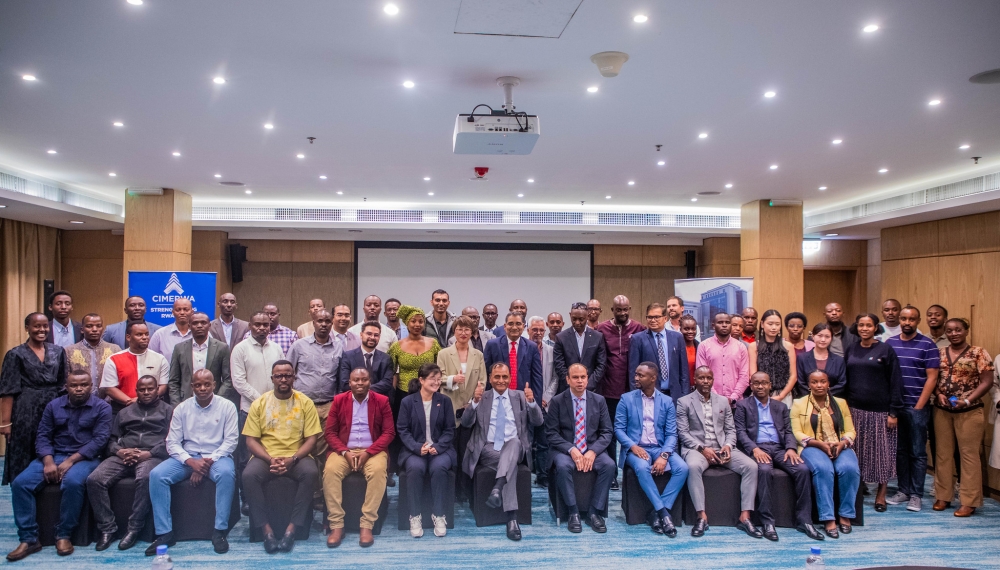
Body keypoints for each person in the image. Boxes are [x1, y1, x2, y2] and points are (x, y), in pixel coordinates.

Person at [7, 370, 112, 561]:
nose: (79, 389)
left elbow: (100, 440)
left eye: (84, 385)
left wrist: (70, 461)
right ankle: (29, 539)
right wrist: (48, 461)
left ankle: (63, 534)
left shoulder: (102, 407)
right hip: (54, 455)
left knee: (73, 483)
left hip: (85, 457)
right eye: (74, 385)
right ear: (66, 386)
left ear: (91, 386)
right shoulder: (53, 405)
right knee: (20, 484)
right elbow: (43, 435)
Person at [147, 369, 239, 555]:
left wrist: (206, 463)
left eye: (207, 384)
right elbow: (172, 443)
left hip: (216, 457)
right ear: (192, 387)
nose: (202, 388)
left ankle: (219, 531)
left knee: (227, 474)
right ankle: (165, 533)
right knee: (157, 475)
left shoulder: (227, 406)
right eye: (198, 385)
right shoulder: (182, 408)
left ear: (214, 385)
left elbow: (231, 441)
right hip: (187, 457)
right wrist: (190, 462)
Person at [242, 361, 321, 553]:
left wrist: (293, 459)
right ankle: (266, 530)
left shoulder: (305, 402)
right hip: (266, 457)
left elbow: (312, 439)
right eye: (279, 376)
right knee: (248, 476)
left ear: (294, 378)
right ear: (272, 379)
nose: (283, 379)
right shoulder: (260, 403)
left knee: (311, 473)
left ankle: (292, 529)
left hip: (297, 456)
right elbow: (251, 440)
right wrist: (270, 459)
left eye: (287, 375)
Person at [87, 375, 172, 551]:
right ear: (136, 391)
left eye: (150, 389)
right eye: (142, 389)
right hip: (124, 454)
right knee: (94, 479)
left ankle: (134, 528)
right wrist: (119, 451)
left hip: (151, 455)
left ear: (157, 390)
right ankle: (107, 528)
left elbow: (172, 440)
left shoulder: (168, 411)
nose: (146, 392)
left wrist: (149, 453)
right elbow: (111, 439)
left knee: (146, 478)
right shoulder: (125, 412)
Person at [735, 371, 821, 541]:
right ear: (751, 386)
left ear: (770, 385)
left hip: (780, 448)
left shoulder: (780, 407)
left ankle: (804, 520)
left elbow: (788, 431)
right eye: (756, 383)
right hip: (758, 448)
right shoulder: (743, 405)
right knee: (764, 470)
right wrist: (754, 449)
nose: (760, 386)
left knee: (802, 470)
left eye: (764, 383)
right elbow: (741, 432)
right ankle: (767, 522)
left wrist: (791, 448)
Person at [462, 363, 544, 541]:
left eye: (505, 377)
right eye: (497, 377)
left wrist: (532, 403)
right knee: (510, 464)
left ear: (510, 378)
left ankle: (499, 491)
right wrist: (474, 403)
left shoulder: (520, 396)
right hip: (488, 449)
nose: (501, 380)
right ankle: (511, 518)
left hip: (515, 447)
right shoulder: (481, 397)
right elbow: (466, 423)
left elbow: (538, 422)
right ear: (490, 378)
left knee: (513, 443)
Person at [676, 366, 760, 538]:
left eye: (709, 378)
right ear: (695, 380)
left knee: (751, 466)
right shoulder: (683, 402)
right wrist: (702, 449)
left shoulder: (722, 401)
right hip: (697, 449)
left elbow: (730, 430)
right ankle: (701, 517)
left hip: (721, 448)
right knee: (692, 467)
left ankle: (745, 517)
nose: (705, 381)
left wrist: (728, 445)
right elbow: (683, 433)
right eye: (701, 378)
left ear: (713, 380)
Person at [323, 368, 394, 548]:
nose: (360, 383)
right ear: (349, 382)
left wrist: (369, 452)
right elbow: (330, 433)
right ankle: (336, 525)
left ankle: (367, 525)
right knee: (330, 471)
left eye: (364, 379)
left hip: (373, 451)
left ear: (370, 382)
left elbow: (389, 432)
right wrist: (344, 452)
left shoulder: (382, 401)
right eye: (356, 380)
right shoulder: (339, 401)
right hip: (344, 450)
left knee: (378, 471)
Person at [614, 362, 688, 537]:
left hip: (660, 447)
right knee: (642, 467)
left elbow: (672, 433)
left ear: (653, 378)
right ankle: (664, 514)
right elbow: (618, 429)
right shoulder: (626, 399)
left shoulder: (667, 401)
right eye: (636, 374)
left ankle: (657, 512)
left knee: (683, 468)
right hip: (636, 448)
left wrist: (664, 455)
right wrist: (633, 446)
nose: (636, 378)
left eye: (641, 375)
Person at [932, 318, 993, 517]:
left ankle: (969, 501)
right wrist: (938, 394)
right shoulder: (939, 353)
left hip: (970, 411)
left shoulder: (978, 352)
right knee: (942, 454)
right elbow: (932, 378)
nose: (954, 334)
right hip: (942, 410)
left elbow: (987, 381)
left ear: (966, 331)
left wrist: (967, 400)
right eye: (949, 331)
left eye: (958, 330)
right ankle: (943, 496)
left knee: (969, 456)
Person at [841, 312, 902, 512]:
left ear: (876, 327)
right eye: (861, 325)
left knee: (882, 454)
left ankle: (881, 495)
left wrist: (893, 412)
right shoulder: (851, 349)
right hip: (854, 411)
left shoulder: (885, 349)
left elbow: (895, 382)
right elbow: (845, 379)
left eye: (868, 325)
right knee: (856, 453)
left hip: (880, 412)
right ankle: (857, 492)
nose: (864, 329)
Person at [545, 363, 615, 533]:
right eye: (575, 377)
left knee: (609, 465)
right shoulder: (557, 401)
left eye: (583, 377)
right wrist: (571, 449)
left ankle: (594, 512)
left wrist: (593, 451)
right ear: (567, 379)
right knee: (563, 466)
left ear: (587, 379)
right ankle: (573, 512)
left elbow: (607, 432)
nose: (580, 381)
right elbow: (551, 433)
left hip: (592, 448)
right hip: (566, 449)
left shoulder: (599, 400)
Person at [884, 306, 940, 512]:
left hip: (917, 406)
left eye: (911, 319)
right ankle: (903, 490)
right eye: (904, 319)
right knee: (900, 451)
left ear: (918, 321)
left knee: (917, 452)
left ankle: (916, 494)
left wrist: (918, 407)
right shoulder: (890, 343)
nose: (907, 322)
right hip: (896, 407)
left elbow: (932, 378)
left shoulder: (928, 345)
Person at [792, 370, 860, 538]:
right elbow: (796, 432)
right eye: (814, 382)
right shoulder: (799, 403)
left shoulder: (840, 403)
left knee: (850, 469)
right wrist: (819, 444)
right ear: (809, 385)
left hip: (839, 444)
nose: (819, 385)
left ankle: (845, 514)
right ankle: (828, 518)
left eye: (823, 381)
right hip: (812, 446)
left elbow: (850, 430)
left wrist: (842, 443)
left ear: (828, 384)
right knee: (823, 469)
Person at [231, 311, 285, 514]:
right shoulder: (240, 349)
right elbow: (238, 381)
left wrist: (273, 401)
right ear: (250, 326)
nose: (262, 328)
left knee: (273, 452)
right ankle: (247, 499)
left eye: (266, 324)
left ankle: (270, 495)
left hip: (276, 412)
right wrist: (262, 401)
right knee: (246, 457)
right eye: (258, 324)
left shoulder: (277, 348)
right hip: (250, 411)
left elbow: (283, 375)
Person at [397, 363, 456, 538]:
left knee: (439, 468)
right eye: (432, 379)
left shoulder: (444, 401)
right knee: (415, 468)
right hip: (414, 450)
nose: (436, 382)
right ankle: (415, 516)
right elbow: (402, 429)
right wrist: (417, 447)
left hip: (440, 449)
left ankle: (439, 515)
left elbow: (449, 430)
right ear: (421, 380)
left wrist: (438, 446)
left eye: (439, 379)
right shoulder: (408, 402)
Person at [595, 294, 645, 490]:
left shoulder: (639, 328)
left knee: (632, 433)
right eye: (619, 310)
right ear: (612, 310)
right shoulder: (601, 329)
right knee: (609, 434)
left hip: (633, 391)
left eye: (625, 309)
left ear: (629, 309)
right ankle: (612, 475)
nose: (622, 313)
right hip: (608, 390)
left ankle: (630, 473)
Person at [286, 309, 342, 457]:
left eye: (327, 321)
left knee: (324, 444)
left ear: (332, 323)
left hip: (328, 405)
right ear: (313, 323)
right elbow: (288, 372)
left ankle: (320, 471)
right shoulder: (299, 345)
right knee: (301, 441)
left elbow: (341, 376)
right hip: (303, 403)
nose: (324, 324)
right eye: (320, 321)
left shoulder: (339, 347)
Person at [101, 322, 170, 411]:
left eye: (146, 334)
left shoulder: (160, 359)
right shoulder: (113, 359)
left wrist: (143, 401)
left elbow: (163, 386)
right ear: (128, 337)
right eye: (139, 334)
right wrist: (132, 402)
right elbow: (109, 388)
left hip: (153, 409)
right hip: (122, 409)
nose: (144, 337)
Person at [388, 305, 443, 414]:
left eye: (421, 321)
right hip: (404, 393)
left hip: (430, 391)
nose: (417, 325)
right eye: (413, 321)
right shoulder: (397, 346)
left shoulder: (433, 343)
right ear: (407, 323)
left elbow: (440, 367)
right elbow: (390, 371)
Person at [168, 311, 233, 404]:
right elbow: (173, 381)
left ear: (209, 326)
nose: (199, 326)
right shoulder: (179, 348)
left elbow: (228, 379)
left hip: (214, 402)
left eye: (203, 323)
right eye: (195, 323)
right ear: (189, 326)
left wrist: (217, 401)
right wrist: (177, 405)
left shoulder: (222, 348)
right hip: (186, 402)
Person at [628, 303, 689, 400]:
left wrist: (685, 395)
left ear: (665, 318)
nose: (653, 320)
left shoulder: (677, 337)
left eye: (656, 317)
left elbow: (684, 371)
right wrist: (636, 397)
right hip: (648, 396)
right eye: (649, 317)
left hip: (675, 396)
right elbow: (633, 372)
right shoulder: (638, 339)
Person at [438, 316, 487, 423]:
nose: (463, 333)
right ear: (454, 332)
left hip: (471, 406)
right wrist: (453, 379)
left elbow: (482, 381)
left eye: (467, 329)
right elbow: (439, 379)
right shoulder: (443, 354)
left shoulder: (478, 355)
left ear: (471, 332)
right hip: (449, 404)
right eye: (460, 329)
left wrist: (472, 402)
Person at [483, 312, 544, 397]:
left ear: (523, 326)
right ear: (505, 326)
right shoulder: (493, 345)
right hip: (497, 397)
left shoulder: (531, 347)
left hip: (523, 397)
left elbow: (537, 377)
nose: (514, 327)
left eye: (518, 324)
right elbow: (485, 374)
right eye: (511, 324)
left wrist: (535, 403)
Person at [553, 302, 608, 393]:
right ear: (570, 315)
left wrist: (587, 384)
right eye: (574, 319)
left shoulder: (597, 337)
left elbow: (601, 365)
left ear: (587, 316)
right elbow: (559, 365)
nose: (577, 322)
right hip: (568, 389)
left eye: (581, 319)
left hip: (592, 390)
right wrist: (572, 383)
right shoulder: (561, 337)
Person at [527, 315, 555, 487]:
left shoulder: (551, 350)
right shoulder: (523, 348)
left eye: (541, 330)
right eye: (534, 329)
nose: (538, 333)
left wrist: (545, 397)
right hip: (525, 401)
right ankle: (525, 473)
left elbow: (556, 378)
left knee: (544, 441)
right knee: (527, 440)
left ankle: (542, 475)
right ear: (528, 330)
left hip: (545, 403)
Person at [696, 312, 749, 403]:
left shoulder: (741, 347)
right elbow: (701, 376)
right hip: (710, 401)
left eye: (727, 322)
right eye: (720, 322)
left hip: (736, 402)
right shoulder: (703, 346)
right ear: (713, 326)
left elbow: (744, 376)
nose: (724, 325)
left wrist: (733, 397)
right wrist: (717, 398)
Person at [748, 309, 797, 406]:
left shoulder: (788, 346)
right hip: (760, 394)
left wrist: (781, 396)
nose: (774, 327)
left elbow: (793, 376)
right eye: (770, 324)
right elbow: (753, 375)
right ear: (762, 324)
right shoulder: (754, 346)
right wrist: (763, 394)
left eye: (777, 324)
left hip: (784, 395)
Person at [337, 321, 394, 397]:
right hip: (354, 400)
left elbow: (387, 383)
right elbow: (344, 383)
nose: (372, 337)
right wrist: (365, 390)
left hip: (378, 400)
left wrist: (363, 389)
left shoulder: (386, 358)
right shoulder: (348, 356)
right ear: (361, 335)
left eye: (376, 335)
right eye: (369, 334)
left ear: (379, 337)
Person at [65, 313, 120, 390]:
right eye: (89, 326)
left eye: (98, 326)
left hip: (109, 396)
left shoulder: (115, 350)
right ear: (82, 330)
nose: (94, 329)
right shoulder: (69, 351)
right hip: (80, 396)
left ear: (102, 329)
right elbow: (66, 379)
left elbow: (121, 376)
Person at [796, 323, 847, 397]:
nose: (823, 340)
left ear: (831, 338)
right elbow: (801, 383)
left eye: (827, 336)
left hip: (832, 399)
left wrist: (824, 395)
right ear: (813, 336)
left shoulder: (839, 360)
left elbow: (842, 383)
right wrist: (814, 396)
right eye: (820, 336)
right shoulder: (802, 358)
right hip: (807, 400)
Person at [147, 298, 193, 364]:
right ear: (173, 312)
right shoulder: (160, 334)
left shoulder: (200, 335)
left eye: (186, 309)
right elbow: (150, 359)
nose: (182, 313)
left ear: (192, 312)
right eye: (178, 310)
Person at [679, 315, 699, 388]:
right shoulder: (675, 348)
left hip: (697, 388)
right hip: (681, 388)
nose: (690, 332)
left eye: (693, 329)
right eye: (686, 329)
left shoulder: (700, 347)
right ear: (680, 329)